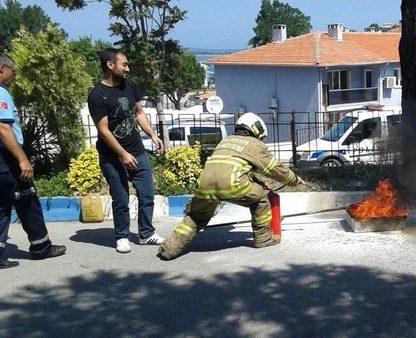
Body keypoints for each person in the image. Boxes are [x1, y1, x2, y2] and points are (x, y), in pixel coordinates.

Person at [158, 112, 307, 261]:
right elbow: (274, 168)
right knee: (261, 197)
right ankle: (263, 238)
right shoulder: (255, 144)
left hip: (204, 185)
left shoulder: (225, 141)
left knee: (196, 217)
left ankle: (169, 248)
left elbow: (236, 168)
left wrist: (260, 182)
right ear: (256, 129)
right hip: (232, 185)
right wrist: (294, 180)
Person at [87, 48, 165, 253]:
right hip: (112, 156)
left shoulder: (130, 86)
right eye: (124, 64)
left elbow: (139, 113)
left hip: (137, 151)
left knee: (147, 194)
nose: (128, 69)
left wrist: (153, 135)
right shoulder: (97, 95)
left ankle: (146, 233)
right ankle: (122, 236)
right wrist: (122, 154)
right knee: (121, 197)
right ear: (110, 65)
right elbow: (103, 130)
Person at [0, 53, 66, 269]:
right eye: (13, 71)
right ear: (2, 69)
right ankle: (41, 247)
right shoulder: (1, 93)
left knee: (12, 202)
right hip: (7, 158)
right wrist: (22, 160)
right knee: (26, 200)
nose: (15, 76)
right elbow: (3, 128)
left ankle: (41, 245)